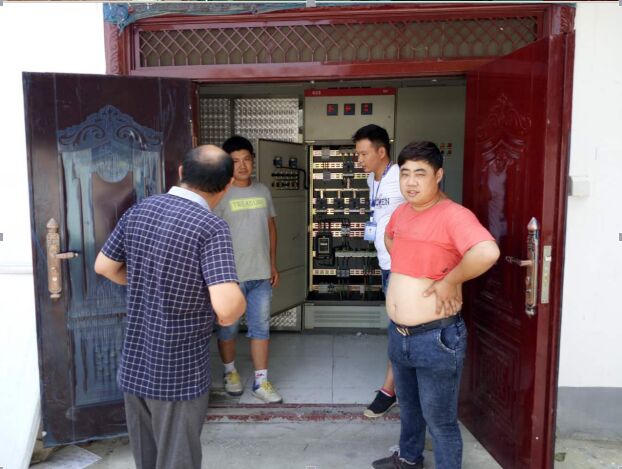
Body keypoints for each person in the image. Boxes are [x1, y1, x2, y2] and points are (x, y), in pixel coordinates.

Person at [94, 145, 246, 469]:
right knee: (178, 461)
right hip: (179, 372)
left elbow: (104, 266)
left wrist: (147, 282)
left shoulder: (140, 211)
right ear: (228, 185)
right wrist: (235, 303)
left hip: (135, 365)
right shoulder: (210, 227)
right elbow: (227, 307)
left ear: (180, 172)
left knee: (146, 460)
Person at [371, 141, 500, 469]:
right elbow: (389, 237)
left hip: (436, 337)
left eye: (420, 174)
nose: (411, 182)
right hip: (400, 333)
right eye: (405, 174)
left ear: (438, 175)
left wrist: (449, 280)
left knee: (440, 420)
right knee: (410, 409)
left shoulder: (453, 215)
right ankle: (409, 459)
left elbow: (487, 252)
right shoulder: (401, 212)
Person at [214, 135, 283, 404]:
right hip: (230, 278)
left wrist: (272, 263)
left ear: (253, 160)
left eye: (246, 159)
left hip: (260, 274)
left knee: (261, 329)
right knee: (228, 329)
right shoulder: (219, 193)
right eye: (235, 161)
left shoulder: (262, 190)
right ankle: (229, 372)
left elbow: (271, 228)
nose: (242, 166)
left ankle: (260, 381)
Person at [353, 124, 405, 418]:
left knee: (399, 329)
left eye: (363, 154)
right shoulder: (372, 179)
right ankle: (399, 388)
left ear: (381, 151)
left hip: (402, 267)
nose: (359, 159)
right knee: (398, 327)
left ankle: (389, 391)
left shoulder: (401, 177)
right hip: (386, 264)